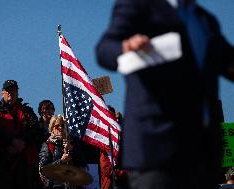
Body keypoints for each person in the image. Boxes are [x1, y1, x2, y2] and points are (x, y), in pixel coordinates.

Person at [96, 0, 234, 188]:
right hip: (157, 150)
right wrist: (124, 47)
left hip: (204, 154)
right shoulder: (138, 6)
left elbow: (227, 61)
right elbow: (104, 48)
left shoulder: (204, 20)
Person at [0, 80, 39, 189]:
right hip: (1, 158)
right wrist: (11, 142)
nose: (10, 92)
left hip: (24, 160)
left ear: (17, 92)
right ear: (2, 93)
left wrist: (22, 142)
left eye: (13, 90)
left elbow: (35, 129)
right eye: (8, 90)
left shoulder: (27, 111)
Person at [38, 115, 73, 189]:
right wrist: (61, 161)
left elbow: (82, 163)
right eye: (57, 126)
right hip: (55, 186)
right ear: (52, 128)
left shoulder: (70, 144)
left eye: (62, 126)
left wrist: (72, 149)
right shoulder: (48, 145)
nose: (60, 128)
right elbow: (43, 169)